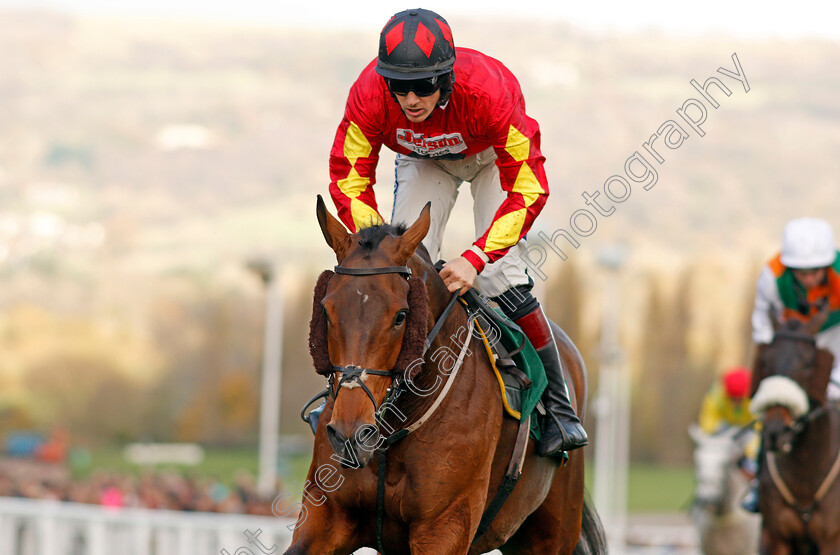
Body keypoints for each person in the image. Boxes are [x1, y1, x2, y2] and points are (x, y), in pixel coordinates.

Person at [325, 8, 586, 455]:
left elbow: (528, 187)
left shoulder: (487, 91)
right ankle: (369, 397)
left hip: (491, 160)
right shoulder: (368, 93)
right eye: (399, 87)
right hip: (423, 160)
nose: (410, 99)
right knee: (396, 274)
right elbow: (349, 173)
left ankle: (560, 408)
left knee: (498, 275)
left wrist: (476, 257)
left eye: (423, 86)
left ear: (444, 77)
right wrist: (376, 250)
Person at [742, 216, 840, 512]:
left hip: (834, 342)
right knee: (772, 410)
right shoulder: (771, 276)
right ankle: (760, 484)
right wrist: (775, 373)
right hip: (791, 350)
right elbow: (761, 327)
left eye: (814, 272)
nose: (808, 279)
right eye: (801, 272)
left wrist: (833, 381)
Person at [698, 366, 755, 436]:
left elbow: (759, 419)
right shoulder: (716, 397)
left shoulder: (753, 398)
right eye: (732, 398)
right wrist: (716, 428)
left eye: (740, 398)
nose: (736, 403)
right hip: (724, 435)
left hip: (748, 433)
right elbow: (707, 421)